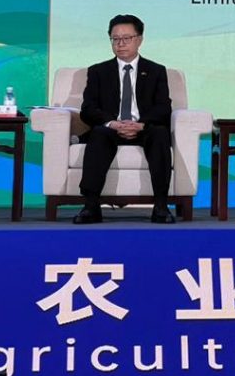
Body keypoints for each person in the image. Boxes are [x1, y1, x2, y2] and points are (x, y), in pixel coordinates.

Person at [73, 14, 175, 224]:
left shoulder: (156, 71)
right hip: (111, 128)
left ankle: (161, 206)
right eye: (115, 39)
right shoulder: (98, 71)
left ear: (139, 39)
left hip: (144, 127)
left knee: (160, 133)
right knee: (99, 134)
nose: (120, 44)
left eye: (126, 38)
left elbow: (164, 107)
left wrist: (141, 124)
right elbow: (88, 109)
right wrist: (113, 123)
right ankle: (91, 206)